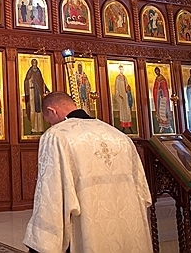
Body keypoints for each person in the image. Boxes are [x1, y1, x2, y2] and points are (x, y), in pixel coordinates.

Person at [23, 92, 153, 253]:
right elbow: (142, 192)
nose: (50, 125)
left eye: (48, 120)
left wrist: (43, 242)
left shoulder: (57, 136)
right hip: (126, 226)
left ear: (51, 111)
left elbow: (51, 193)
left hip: (87, 227)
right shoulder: (119, 136)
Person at [24, 59, 49, 133]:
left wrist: (45, 89)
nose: (34, 64)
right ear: (32, 63)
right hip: (32, 93)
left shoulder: (38, 71)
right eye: (33, 63)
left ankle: (40, 128)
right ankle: (33, 128)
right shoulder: (30, 72)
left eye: (35, 63)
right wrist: (30, 81)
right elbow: (26, 81)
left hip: (38, 93)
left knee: (39, 110)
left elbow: (42, 81)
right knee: (33, 110)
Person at [113, 65, 133, 133]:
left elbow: (127, 86)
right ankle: (123, 127)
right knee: (123, 111)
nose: (121, 70)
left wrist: (128, 89)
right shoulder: (117, 78)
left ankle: (129, 126)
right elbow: (116, 88)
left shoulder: (125, 77)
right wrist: (119, 95)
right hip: (121, 97)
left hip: (126, 96)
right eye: (120, 69)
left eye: (122, 69)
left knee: (127, 110)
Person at [152, 67, 172, 133]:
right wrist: (157, 91)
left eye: (157, 71)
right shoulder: (156, 79)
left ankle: (169, 126)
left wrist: (161, 91)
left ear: (159, 71)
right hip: (159, 100)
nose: (157, 72)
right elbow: (155, 89)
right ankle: (162, 127)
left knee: (165, 112)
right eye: (156, 72)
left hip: (163, 99)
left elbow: (165, 89)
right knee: (161, 113)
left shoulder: (162, 79)